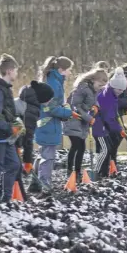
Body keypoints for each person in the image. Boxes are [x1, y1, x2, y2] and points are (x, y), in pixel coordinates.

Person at [34, 56, 76, 194]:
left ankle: (35, 182)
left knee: (43, 153)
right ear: (61, 70)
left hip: (46, 123)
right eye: (69, 70)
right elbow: (52, 108)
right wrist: (67, 112)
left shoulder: (53, 81)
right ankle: (44, 184)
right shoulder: (54, 84)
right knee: (48, 155)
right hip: (49, 124)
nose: (70, 73)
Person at [0, 54, 22, 204]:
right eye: (15, 70)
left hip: (7, 137)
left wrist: (17, 125)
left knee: (14, 164)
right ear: (9, 71)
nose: (16, 73)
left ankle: (6, 198)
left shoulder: (6, 90)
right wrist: (10, 128)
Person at [64, 68, 108, 181]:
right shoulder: (82, 88)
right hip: (73, 120)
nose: (99, 88)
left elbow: (93, 101)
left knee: (80, 147)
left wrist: (96, 107)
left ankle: (76, 172)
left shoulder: (93, 90)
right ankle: (71, 170)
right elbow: (75, 106)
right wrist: (89, 118)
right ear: (93, 80)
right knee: (77, 146)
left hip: (82, 123)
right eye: (99, 85)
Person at [92, 67, 127, 178]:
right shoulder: (107, 97)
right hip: (100, 127)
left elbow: (113, 115)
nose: (121, 92)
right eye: (119, 90)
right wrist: (119, 129)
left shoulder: (112, 93)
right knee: (105, 150)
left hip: (105, 127)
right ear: (114, 86)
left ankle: (104, 173)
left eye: (122, 90)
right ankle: (97, 173)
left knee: (107, 149)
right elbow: (108, 118)